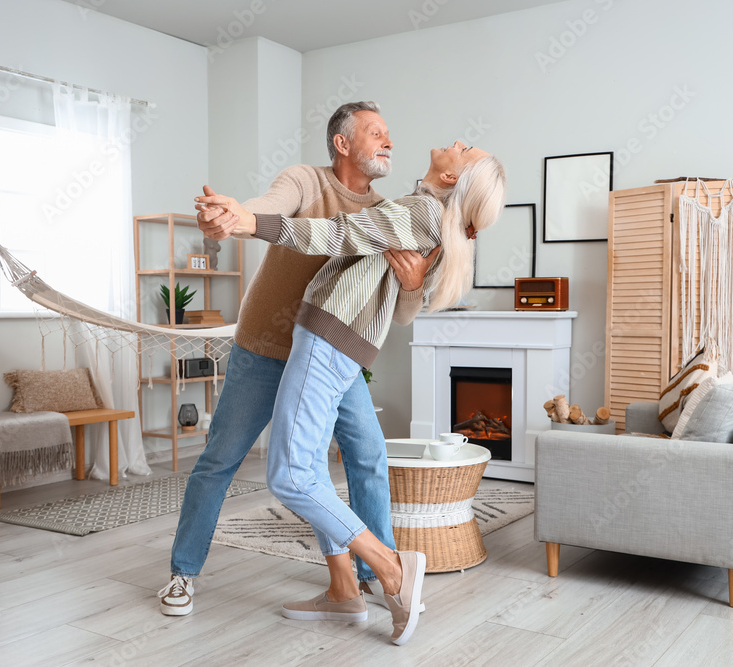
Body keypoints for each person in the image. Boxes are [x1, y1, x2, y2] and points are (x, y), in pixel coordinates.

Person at [197, 141, 507, 645]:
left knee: (291, 474)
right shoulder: (426, 213)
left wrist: (249, 224)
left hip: (328, 338)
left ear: (454, 178)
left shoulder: (420, 211)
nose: (458, 143)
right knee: (327, 461)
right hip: (343, 343)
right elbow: (396, 294)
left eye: (466, 150)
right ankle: (345, 594)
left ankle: (390, 568)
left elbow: (338, 234)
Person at [159, 102, 440, 621]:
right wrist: (234, 218)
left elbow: (399, 315)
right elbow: (270, 205)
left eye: (388, 135)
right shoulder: (306, 181)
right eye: (376, 133)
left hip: (332, 357)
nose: (389, 142)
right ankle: (182, 572)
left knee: (367, 456)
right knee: (219, 460)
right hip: (266, 349)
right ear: (342, 142)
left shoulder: (386, 211)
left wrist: (414, 284)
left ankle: (376, 578)